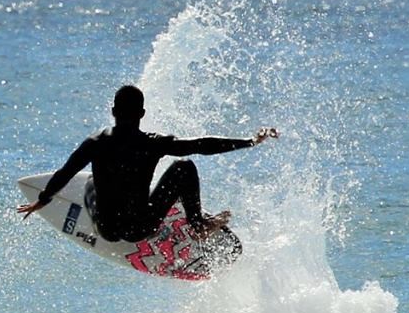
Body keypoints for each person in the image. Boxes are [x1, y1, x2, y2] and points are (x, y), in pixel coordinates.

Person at [17, 84, 276, 239]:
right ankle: (197, 224)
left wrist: (44, 199)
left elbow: (66, 172)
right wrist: (250, 141)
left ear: (113, 112)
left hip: (107, 229)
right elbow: (201, 145)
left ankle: (99, 216)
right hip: (141, 227)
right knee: (184, 166)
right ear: (142, 114)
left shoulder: (95, 143)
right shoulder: (153, 143)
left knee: (90, 182)